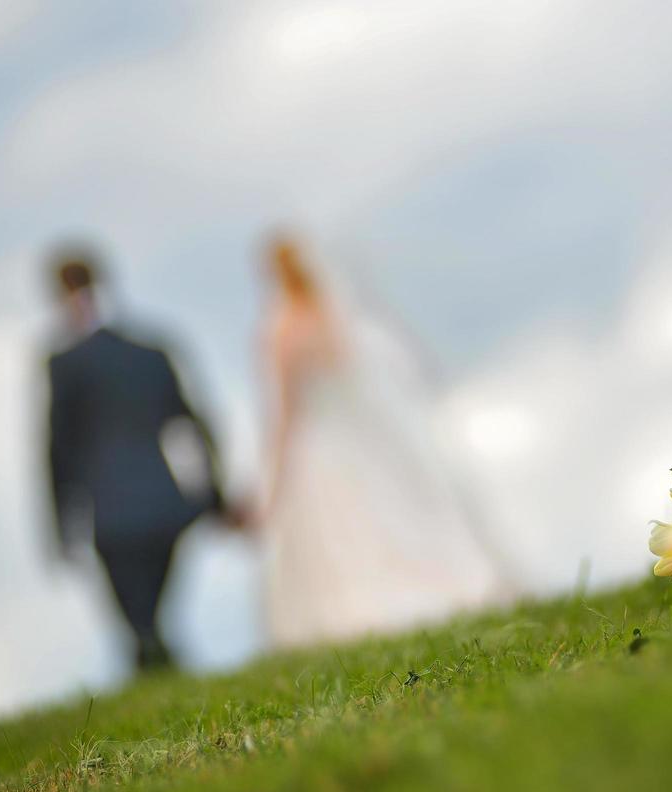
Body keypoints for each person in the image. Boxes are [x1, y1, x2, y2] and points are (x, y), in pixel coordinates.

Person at [257, 237, 513, 648]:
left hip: (316, 446)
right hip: (354, 442)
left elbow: (287, 409)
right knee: (381, 517)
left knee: (339, 536)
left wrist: (273, 475)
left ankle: (356, 612)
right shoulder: (332, 320)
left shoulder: (284, 329)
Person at [43, 248, 234, 671]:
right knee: (147, 611)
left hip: (110, 511)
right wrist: (213, 495)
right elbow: (192, 422)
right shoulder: (151, 350)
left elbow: (57, 447)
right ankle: (155, 653)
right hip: (165, 502)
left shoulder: (64, 363)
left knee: (138, 613)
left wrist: (60, 523)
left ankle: (151, 652)